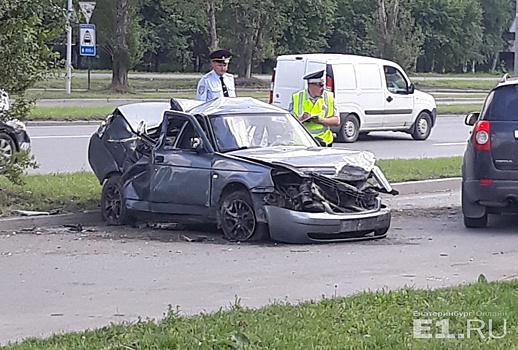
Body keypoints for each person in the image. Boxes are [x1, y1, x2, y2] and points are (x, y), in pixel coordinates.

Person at [288, 70, 340, 146]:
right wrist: (302, 118)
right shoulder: (297, 97)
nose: (323, 88)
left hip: (324, 141)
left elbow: (337, 121)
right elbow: (289, 121)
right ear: (310, 86)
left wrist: (320, 120)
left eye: (323, 85)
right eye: (320, 86)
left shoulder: (329, 97)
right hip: (302, 142)